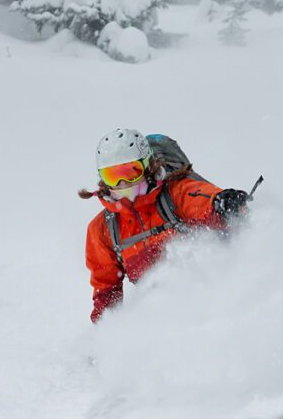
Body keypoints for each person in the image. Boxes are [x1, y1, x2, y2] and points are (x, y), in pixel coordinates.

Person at [82, 129, 250, 323]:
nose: (122, 183)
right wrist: (104, 338)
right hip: (166, 319)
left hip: (217, 298)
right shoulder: (103, 230)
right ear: (103, 180)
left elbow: (202, 199)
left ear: (147, 167)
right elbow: (106, 293)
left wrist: (222, 202)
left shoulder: (175, 194)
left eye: (130, 172)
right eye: (112, 176)